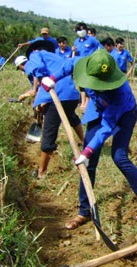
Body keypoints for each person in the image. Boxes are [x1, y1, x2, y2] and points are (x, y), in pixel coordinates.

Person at [41, 49, 137, 228]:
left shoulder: (119, 92)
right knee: (88, 164)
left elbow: (107, 126)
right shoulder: (83, 63)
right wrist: (53, 78)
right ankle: (84, 211)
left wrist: (86, 151)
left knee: (119, 156)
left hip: (124, 113)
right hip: (96, 108)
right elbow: (68, 65)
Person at [23, 40, 84, 179]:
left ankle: (41, 172)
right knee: (71, 117)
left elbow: (38, 68)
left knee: (49, 132)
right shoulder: (58, 57)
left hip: (56, 95)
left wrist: (42, 89)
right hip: (72, 96)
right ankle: (84, 142)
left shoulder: (36, 54)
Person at [72, 22, 102, 110]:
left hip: (89, 65)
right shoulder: (76, 41)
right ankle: (83, 102)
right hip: (79, 65)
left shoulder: (92, 40)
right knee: (81, 84)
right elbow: (76, 53)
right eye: (79, 30)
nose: (81, 31)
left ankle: (89, 102)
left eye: (82, 29)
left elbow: (100, 48)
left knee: (89, 84)